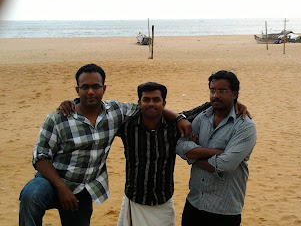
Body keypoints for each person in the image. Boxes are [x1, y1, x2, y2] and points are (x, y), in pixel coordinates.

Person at [18, 64, 187, 226]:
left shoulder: (115, 111)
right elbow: (40, 157)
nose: (90, 91)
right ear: (77, 90)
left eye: (96, 86)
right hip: (52, 180)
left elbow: (149, 107)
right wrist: (62, 188)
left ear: (103, 88)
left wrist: (179, 117)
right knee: (31, 195)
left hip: (84, 187)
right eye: (85, 87)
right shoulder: (57, 118)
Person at [116, 82, 210, 226]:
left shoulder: (174, 127)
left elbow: (207, 107)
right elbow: (100, 111)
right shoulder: (127, 126)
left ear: (164, 103)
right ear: (138, 102)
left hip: (163, 200)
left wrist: (236, 103)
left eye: (156, 100)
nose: (151, 104)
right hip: (134, 198)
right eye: (146, 99)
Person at [176, 70, 257, 226]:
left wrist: (193, 157)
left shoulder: (245, 126)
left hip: (223, 209)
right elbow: (180, 145)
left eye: (222, 91)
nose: (215, 95)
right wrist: (216, 153)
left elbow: (225, 165)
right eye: (212, 90)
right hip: (195, 203)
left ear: (235, 94)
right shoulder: (202, 117)